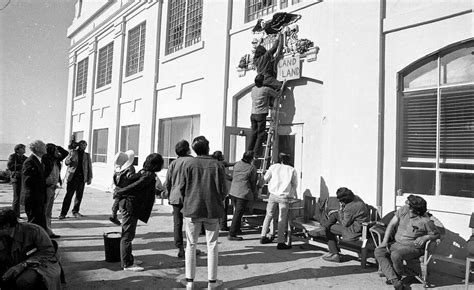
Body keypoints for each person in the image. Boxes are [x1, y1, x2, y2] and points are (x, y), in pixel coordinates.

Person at [180, 136, 227, 289]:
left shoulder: (189, 164)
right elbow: (223, 190)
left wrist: (187, 200)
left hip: (192, 209)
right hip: (212, 209)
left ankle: (189, 282)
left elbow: (182, 187)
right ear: (208, 147)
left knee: (191, 245)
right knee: (212, 245)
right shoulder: (217, 165)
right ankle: (212, 282)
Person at [374, 195, 440, 289]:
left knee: (395, 255)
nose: (406, 206)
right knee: (379, 251)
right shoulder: (403, 210)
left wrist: (426, 237)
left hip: (413, 248)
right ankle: (396, 281)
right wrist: (384, 241)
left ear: (415, 210)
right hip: (396, 244)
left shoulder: (426, 221)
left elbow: (437, 235)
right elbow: (391, 224)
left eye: (409, 206)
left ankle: (397, 275)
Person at [114, 153, 164, 272]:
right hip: (130, 206)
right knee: (127, 235)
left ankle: (129, 258)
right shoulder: (148, 176)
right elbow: (135, 186)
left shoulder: (144, 172)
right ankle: (126, 264)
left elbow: (143, 187)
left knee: (129, 234)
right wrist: (120, 192)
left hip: (132, 206)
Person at [0, 208, 61, 290]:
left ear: (6, 226)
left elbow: (48, 252)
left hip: (40, 265)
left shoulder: (34, 231)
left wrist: (23, 265)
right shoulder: (3, 236)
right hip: (14, 263)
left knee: (23, 281)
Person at [318, 187, 370, 263]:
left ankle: (334, 254)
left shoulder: (350, 207)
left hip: (353, 230)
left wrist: (341, 209)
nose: (339, 201)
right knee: (334, 215)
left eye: (340, 200)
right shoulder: (356, 198)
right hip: (359, 226)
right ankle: (323, 227)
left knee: (329, 228)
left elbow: (344, 223)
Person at [260, 152, 297, 250]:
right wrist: (292, 195)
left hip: (273, 195)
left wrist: (260, 186)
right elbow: (294, 184)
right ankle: (280, 241)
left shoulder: (273, 167)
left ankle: (263, 236)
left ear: (280, 159)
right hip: (284, 196)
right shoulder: (292, 170)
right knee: (282, 219)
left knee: (269, 215)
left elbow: (265, 179)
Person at [165, 140, 194, 258]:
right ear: (188, 149)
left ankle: (180, 248)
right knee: (191, 223)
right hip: (190, 196)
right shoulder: (192, 161)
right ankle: (191, 248)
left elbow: (168, 182)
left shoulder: (173, 163)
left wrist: (168, 196)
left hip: (175, 196)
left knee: (177, 223)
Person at [227, 151, 258, 241]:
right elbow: (253, 182)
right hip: (243, 193)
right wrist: (255, 194)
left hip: (233, 191)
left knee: (236, 211)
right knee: (238, 213)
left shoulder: (237, 164)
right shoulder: (252, 168)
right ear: (251, 159)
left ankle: (237, 229)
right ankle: (232, 233)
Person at [247, 74, 279, 158]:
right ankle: (256, 153)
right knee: (260, 134)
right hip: (261, 115)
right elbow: (277, 95)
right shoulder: (266, 89)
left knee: (253, 133)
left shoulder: (253, 89)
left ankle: (249, 151)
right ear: (262, 82)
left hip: (253, 114)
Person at [59, 140, 92, 219]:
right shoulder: (73, 152)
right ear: (79, 145)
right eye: (82, 145)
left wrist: (89, 177)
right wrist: (70, 158)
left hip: (82, 178)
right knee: (68, 196)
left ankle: (75, 211)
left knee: (79, 196)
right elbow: (66, 163)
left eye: (85, 145)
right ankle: (63, 213)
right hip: (73, 177)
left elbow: (89, 167)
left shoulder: (87, 155)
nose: (84, 146)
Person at [43, 143, 68, 239]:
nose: (58, 152)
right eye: (55, 150)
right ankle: (45, 231)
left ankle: (48, 231)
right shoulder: (46, 159)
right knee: (45, 211)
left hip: (53, 187)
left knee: (49, 211)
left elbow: (65, 153)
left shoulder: (56, 159)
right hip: (47, 187)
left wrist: (57, 147)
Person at [21, 140, 48, 230]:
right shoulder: (30, 162)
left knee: (40, 219)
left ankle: (43, 237)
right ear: (37, 149)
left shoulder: (38, 160)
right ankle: (32, 242)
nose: (46, 148)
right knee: (33, 222)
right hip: (33, 197)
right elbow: (28, 181)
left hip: (38, 196)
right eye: (44, 146)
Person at [109, 150, 136, 226]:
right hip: (125, 189)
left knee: (117, 203)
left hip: (119, 188)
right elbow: (131, 178)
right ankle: (118, 217)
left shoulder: (118, 169)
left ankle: (114, 215)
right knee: (123, 205)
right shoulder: (129, 168)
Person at [211, 150, 234, 232]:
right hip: (221, 190)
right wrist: (234, 179)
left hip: (213, 189)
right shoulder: (220, 164)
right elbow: (225, 175)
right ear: (220, 157)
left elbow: (228, 164)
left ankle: (219, 223)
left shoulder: (213, 163)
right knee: (224, 208)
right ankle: (223, 225)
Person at [7, 144, 27, 218]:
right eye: (23, 148)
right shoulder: (12, 156)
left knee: (21, 197)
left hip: (23, 179)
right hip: (16, 178)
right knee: (17, 198)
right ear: (17, 149)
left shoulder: (25, 158)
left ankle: (17, 215)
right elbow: (10, 166)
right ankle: (15, 216)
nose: (24, 149)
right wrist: (22, 166)